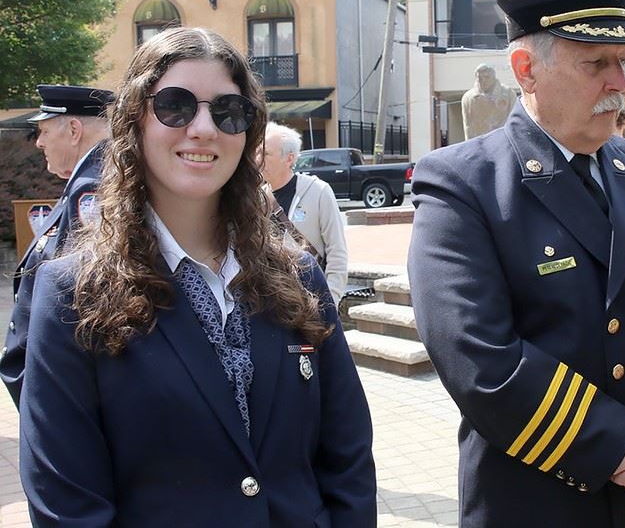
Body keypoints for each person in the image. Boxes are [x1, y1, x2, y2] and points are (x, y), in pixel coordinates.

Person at [408, 0, 625, 527]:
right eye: (595, 63)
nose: (618, 83)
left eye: (622, 63)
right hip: (538, 501)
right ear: (526, 69)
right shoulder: (462, 183)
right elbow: (481, 361)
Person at [19, 27, 376, 527]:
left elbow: (348, 456)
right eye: (175, 106)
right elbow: (68, 503)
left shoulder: (298, 275)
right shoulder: (71, 292)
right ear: (134, 123)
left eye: (228, 111)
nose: (204, 128)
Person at [1, 84, 114, 407]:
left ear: (74, 130)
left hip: (64, 387)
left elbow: (85, 299)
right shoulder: (90, 180)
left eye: (43, 130)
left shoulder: (92, 187)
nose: (39, 142)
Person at [259, 122, 349, 306]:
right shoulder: (257, 198)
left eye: (266, 154)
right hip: (270, 303)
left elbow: (337, 251)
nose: (259, 159)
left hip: (310, 302)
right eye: (258, 153)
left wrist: (330, 303)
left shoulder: (318, 191)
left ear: (289, 159)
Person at [461, 63, 516, 140]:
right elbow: (468, 127)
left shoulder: (508, 94)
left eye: (486, 77)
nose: (483, 80)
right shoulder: (468, 98)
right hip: (479, 145)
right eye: (479, 78)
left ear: (493, 77)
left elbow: (513, 121)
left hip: (502, 142)